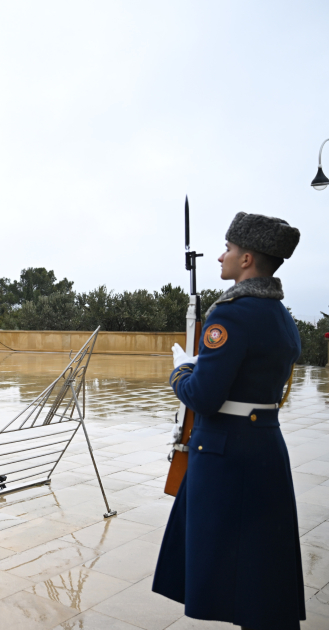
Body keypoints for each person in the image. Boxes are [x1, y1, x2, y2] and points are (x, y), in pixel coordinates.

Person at [152, 212, 304, 630]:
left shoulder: (232, 314)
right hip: (263, 446)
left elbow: (203, 395)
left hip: (225, 453)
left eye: (229, 250)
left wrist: (183, 371)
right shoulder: (280, 315)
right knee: (260, 567)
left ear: (248, 259)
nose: (222, 256)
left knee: (228, 563)